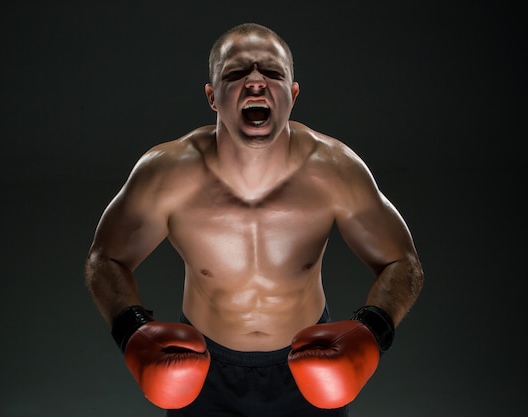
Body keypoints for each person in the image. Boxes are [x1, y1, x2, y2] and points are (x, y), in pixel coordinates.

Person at [84, 22, 424, 417]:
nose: (256, 82)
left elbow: (403, 263)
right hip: (202, 372)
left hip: (309, 370)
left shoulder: (334, 171)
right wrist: (132, 332)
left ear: (293, 95)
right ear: (212, 97)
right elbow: (104, 259)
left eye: (273, 73)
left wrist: (371, 331)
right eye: (236, 73)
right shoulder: (168, 174)